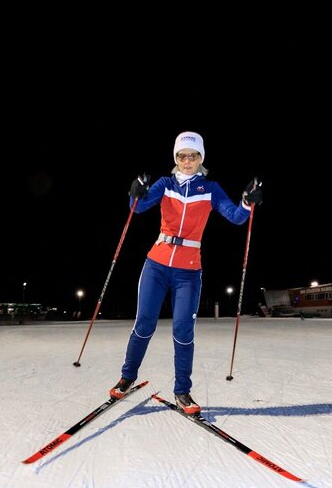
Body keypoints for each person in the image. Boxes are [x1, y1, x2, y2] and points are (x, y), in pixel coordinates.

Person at [109, 131, 263, 415]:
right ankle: (127, 377)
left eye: (193, 156)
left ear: (201, 158)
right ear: (176, 158)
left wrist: (246, 202)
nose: (188, 160)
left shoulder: (210, 189)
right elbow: (138, 208)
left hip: (188, 271)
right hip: (156, 264)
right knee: (144, 323)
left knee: (183, 329)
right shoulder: (165, 184)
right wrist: (135, 193)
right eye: (182, 156)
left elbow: (236, 217)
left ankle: (182, 391)